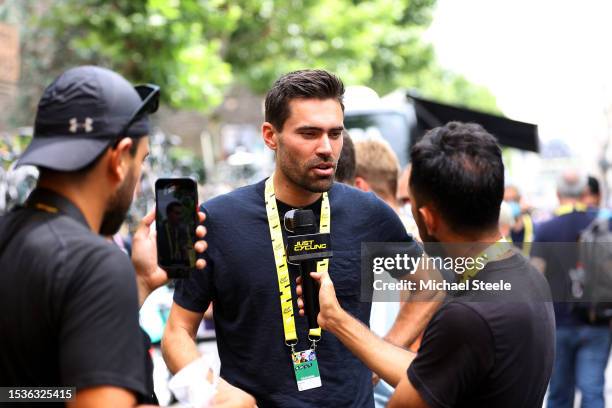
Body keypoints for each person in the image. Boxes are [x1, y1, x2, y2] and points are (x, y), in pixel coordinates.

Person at [162, 69, 436, 407]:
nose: (326, 148)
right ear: (270, 135)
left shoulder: (368, 213)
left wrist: (384, 354)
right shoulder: (219, 220)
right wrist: (210, 391)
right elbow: (177, 331)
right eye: (309, 133)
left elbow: (431, 282)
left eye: (335, 134)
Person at [0, 66, 246, 408]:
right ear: (119, 158)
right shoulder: (93, 263)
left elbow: (28, 393)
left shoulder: (10, 236)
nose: (138, 180)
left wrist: (141, 283)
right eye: (141, 163)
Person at [296, 121, 555, 407]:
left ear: (429, 219)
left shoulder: (466, 317)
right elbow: (433, 372)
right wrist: (337, 319)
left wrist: (337, 321)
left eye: (410, 204)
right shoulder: (526, 276)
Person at [531, 170, 611, 408]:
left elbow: (536, 277)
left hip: (558, 325)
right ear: (586, 193)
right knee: (593, 390)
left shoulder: (545, 229)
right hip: (597, 322)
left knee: (558, 394)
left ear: (557, 194)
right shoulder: (601, 226)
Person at [503, 184, 535, 256]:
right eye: (506, 200)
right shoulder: (499, 229)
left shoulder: (534, 225)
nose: (511, 203)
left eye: (514, 199)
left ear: (520, 199)